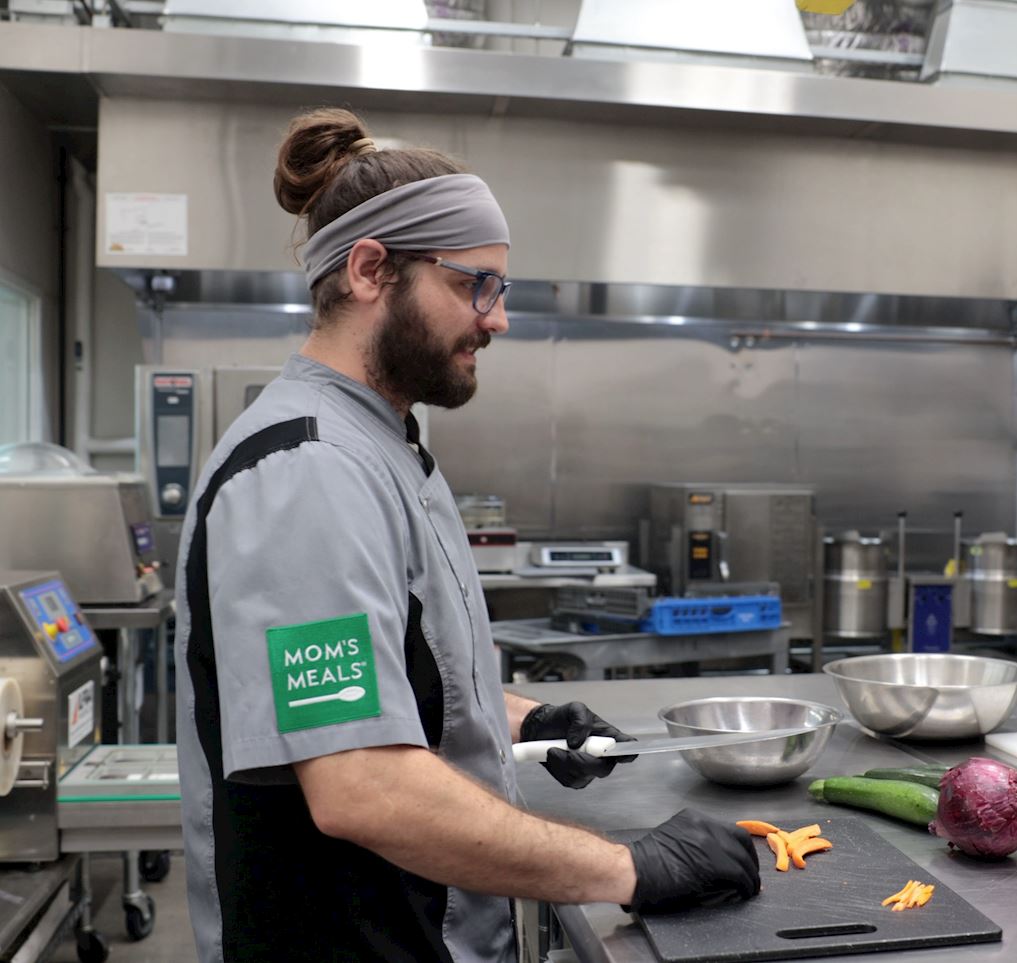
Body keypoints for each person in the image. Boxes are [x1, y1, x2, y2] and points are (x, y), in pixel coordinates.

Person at [174, 108, 759, 962]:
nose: (497, 318)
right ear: (371, 270)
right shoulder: (307, 472)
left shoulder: (381, 444)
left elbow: (388, 680)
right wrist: (629, 868)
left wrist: (520, 717)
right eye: (475, 284)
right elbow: (362, 784)